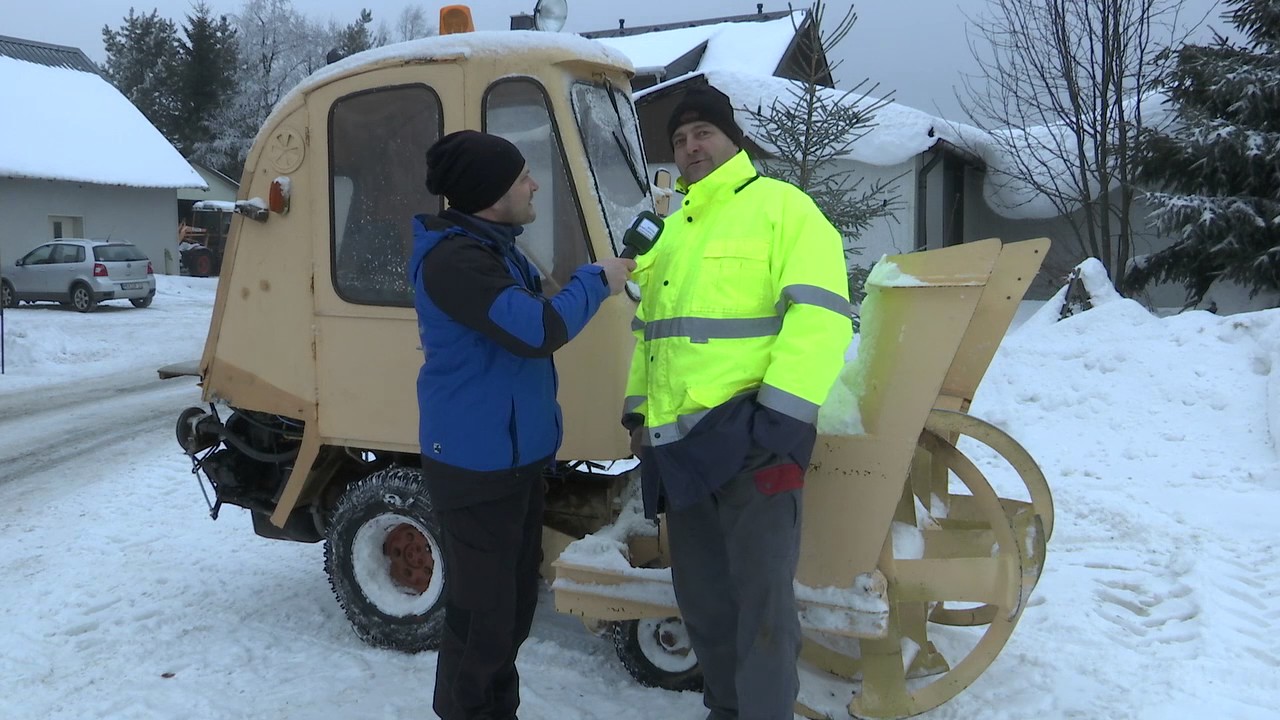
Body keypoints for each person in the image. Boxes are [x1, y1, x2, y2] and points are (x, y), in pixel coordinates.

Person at [621, 84, 852, 719]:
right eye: (679, 139)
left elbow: (823, 315)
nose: (691, 146)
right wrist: (638, 410)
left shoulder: (783, 209)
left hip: (755, 442)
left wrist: (780, 417)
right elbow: (651, 334)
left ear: (732, 138)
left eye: (703, 133)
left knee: (763, 613)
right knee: (705, 605)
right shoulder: (670, 229)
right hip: (681, 451)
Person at [408, 129, 635, 720]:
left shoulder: (495, 247)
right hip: (474, 466)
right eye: (522, 178)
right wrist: (596, 280)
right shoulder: (456, 261)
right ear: (489, 193)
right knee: (483, 616)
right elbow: (537, 331)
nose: (534, 185)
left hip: (514, 461)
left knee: (509, 613)